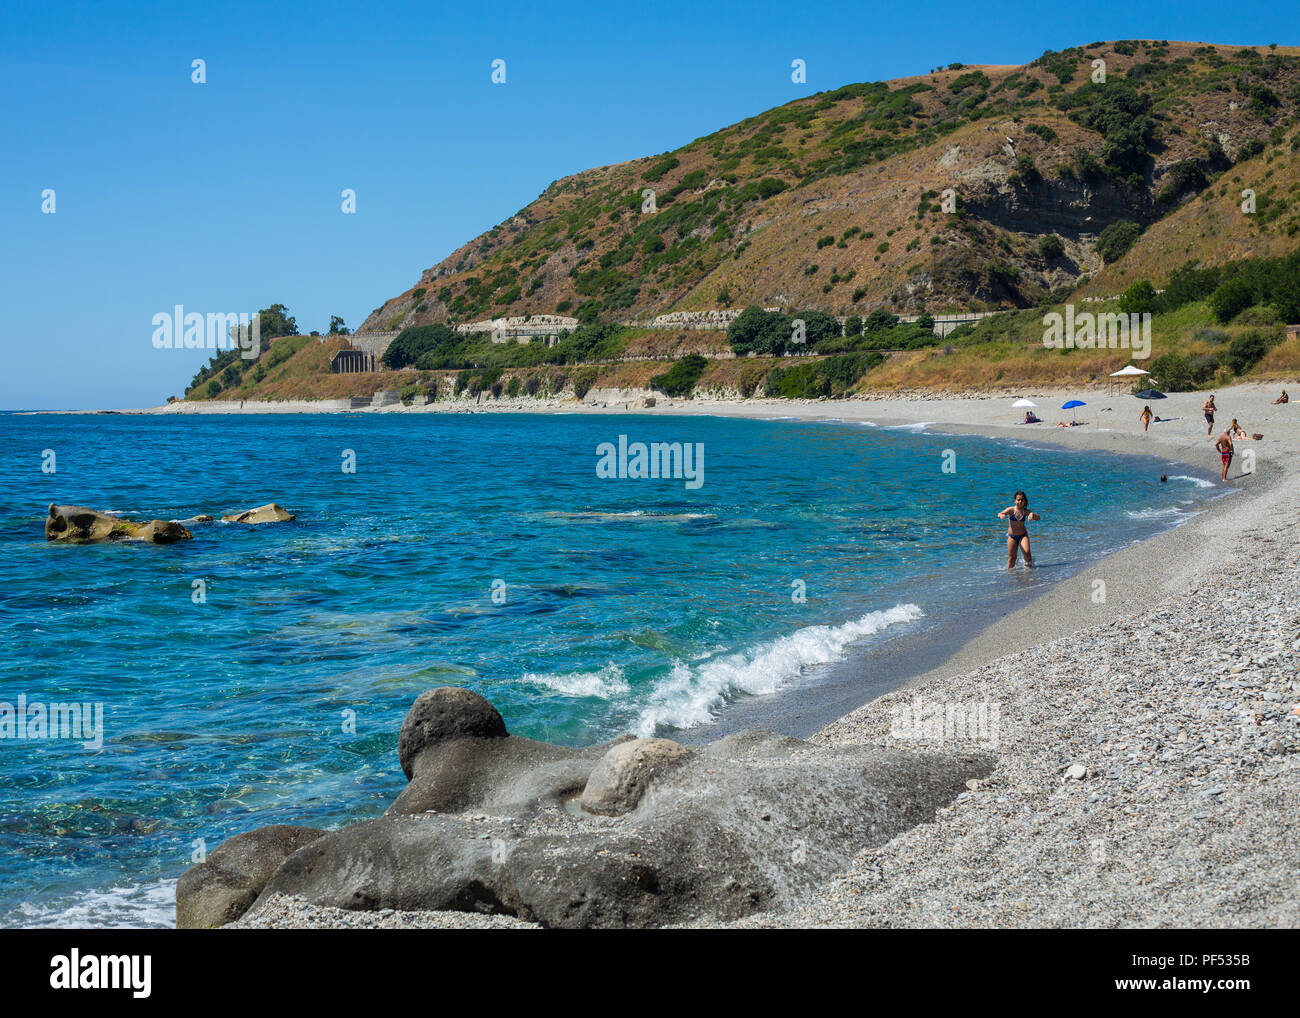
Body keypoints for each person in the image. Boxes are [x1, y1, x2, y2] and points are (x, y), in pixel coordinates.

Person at [998, 491, 1040, 569]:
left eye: (1022, 500)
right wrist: (1002, 515)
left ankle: (1029, 572)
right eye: (1018, 500)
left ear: (1025, 501)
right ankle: (1011, 576)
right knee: (1011, 558)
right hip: (1012, 536)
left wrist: (1032, 515)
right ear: (1015, 501)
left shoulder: (1026, 511)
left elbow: (1038, 518)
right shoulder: (1011, 509)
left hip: (1023, 535)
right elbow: (1000, 513)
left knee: (1027, 554)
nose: (1020, 501)